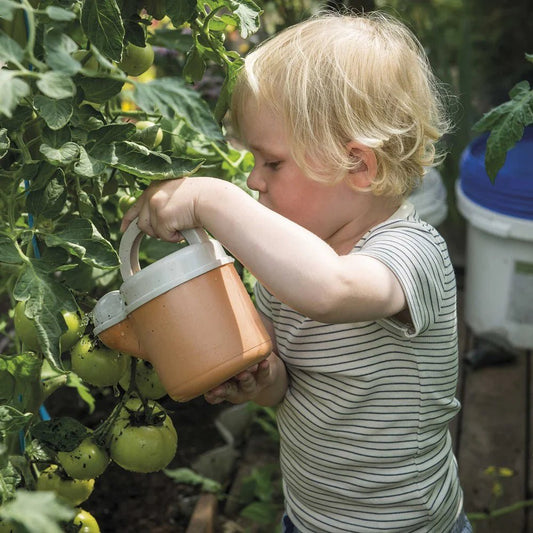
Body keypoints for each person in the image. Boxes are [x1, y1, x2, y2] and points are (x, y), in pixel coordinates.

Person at [121, 10, 470, 533]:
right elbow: (296, 389)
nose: (255, 182)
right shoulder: (291, 270)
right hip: (309, 518)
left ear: (359, 166)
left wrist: (211, 198)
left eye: (272, 163)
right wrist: (263, 380)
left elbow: (330, 290)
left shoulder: (411, 251)